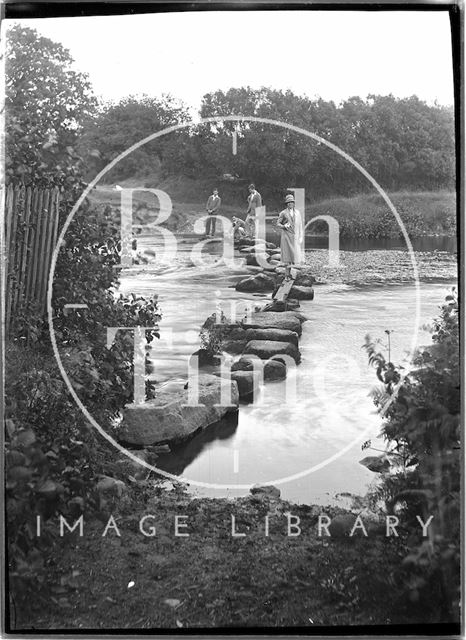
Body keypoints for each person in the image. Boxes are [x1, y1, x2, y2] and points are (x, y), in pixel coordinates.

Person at [276, 193, 304, 280]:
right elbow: (278, 224)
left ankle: (290, 274)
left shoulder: (297, 213)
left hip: (294, 236)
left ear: (294, 203)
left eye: (291, 202)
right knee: (287, 256)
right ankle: (287, 275)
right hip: (286, 236)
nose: (290, 204)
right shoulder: (283, 213)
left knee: (293, 256)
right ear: (286, 204)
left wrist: (300, 236)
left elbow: (300, 225)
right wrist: (284, 226)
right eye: (288, 202)